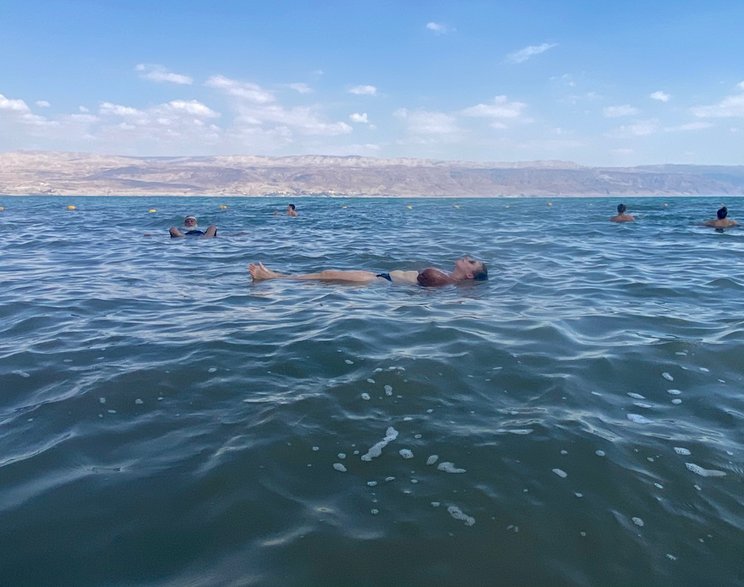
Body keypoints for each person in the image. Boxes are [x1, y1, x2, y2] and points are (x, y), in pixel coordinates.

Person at [248, 256, 488, 287]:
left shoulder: (445, 283)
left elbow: (423, 285)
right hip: (381, 276)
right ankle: (276, 276)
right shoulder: (447, 279)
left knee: (328, 274)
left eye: (472, 262)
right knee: (328, 274)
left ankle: (272, 277)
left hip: (381, 283)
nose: (468, 259)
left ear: (469, 274)